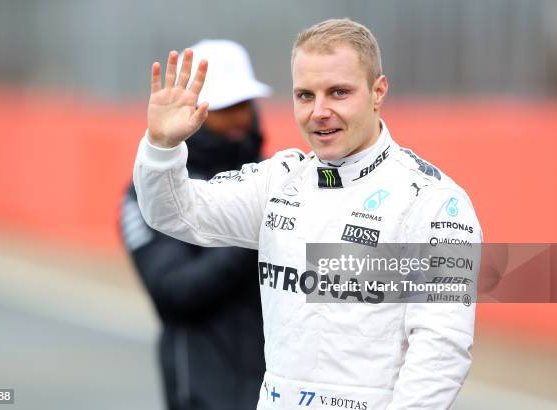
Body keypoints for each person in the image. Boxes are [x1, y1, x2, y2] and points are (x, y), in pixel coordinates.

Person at [133, 19, 482, 410]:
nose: (319, 111)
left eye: (338, 92)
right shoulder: (279, 180)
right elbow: (174, 214)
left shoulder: (436, 203)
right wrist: (161, 147)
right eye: (304, 95)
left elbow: (441, 351)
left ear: (377, 91)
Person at [120, 39, 269, 410]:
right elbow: (175, 293)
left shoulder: (274, 181)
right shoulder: (150, 193)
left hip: (279, 393)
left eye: (244, 106)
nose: (239, 120)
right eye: (223, 108)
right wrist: (259, 230)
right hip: (202, 395)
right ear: (192, 111)